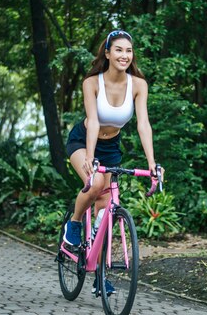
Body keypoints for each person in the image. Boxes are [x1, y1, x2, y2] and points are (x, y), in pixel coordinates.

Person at [63, 29, 159, 252]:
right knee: (94, 184)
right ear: (107, 54)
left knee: (105, 209)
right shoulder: (92, 83)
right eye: (118, 50)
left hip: (111, 146)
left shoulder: (138, 85)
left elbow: (143, 124)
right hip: (83, 140)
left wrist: (151, 162)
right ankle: (74, 224)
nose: (124, 55)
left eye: (128, 51)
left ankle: (99, 279)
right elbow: (94, 121)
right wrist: (89, 155)